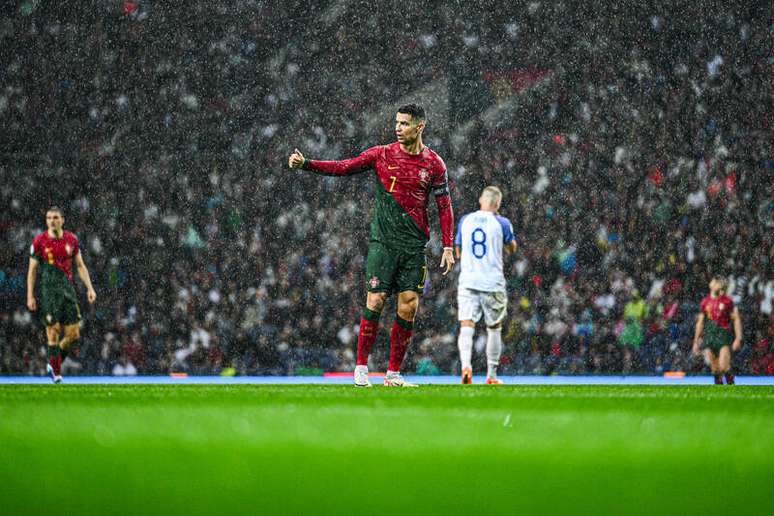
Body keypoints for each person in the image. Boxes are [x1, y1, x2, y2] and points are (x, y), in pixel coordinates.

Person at [288, 104, 455, 387]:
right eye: (397, 123)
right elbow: (344, 167)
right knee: (375, 301)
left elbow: (444, 206)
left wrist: (448, 246)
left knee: (408, 307)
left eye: (404, 123)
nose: (397, 127)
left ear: (420, 127)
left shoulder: (434, 164)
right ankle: (361, 368)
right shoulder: (382, 154)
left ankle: (393, 374)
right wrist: (307, 164)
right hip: (383, 244)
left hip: (414, 247)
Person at [455, 186, 517, 384]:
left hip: (468, 280)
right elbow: (512, 248)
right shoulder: (502, 223)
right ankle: (491, 375)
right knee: (494, 327)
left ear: (481, 200)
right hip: (492, 282)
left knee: (466, 324)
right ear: (497, 204)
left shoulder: (466, 220)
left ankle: (466, 366)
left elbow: (458, 250)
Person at [27, 207, 97, 383]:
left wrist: (90, 288)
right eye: (49, 217)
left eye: (55, 217)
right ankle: (56, 374)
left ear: (62, 220)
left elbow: (80, 265)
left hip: (68, 290)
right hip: (49, 291)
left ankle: (53, 360)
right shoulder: (39, 241)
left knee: (74, 335)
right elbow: (32, 271)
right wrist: (30, 295)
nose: (51, 220)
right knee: (53, 330)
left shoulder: (71, 240)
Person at [692, 276, 742, 385]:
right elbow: (700, 323)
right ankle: (719, 394)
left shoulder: (727, 301)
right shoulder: (705, 302)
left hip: (723, 335)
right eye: (714, 281)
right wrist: (695, 341)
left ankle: (731, 385)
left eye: (715, 282)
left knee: (724, 367)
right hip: (709, 336)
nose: (713, 283)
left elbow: (736, 319)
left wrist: (738, 338)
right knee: (715, 370)